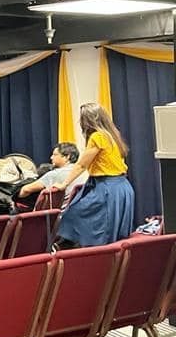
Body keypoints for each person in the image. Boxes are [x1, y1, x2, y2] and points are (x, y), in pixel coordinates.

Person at [55, 103, 135, 248]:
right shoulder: (113, 135)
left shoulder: (97, 137)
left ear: (88, 120)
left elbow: (81, 165)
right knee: (112, 235)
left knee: (72, 216)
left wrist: (63, 184)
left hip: (107, 188)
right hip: (122, 187)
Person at [17, 142, 82, 200]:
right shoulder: (82, 173)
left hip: (61, 211)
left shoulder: (54, 174)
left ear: (67, 157)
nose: (51, 157)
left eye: (54, 154)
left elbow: (26, 190)